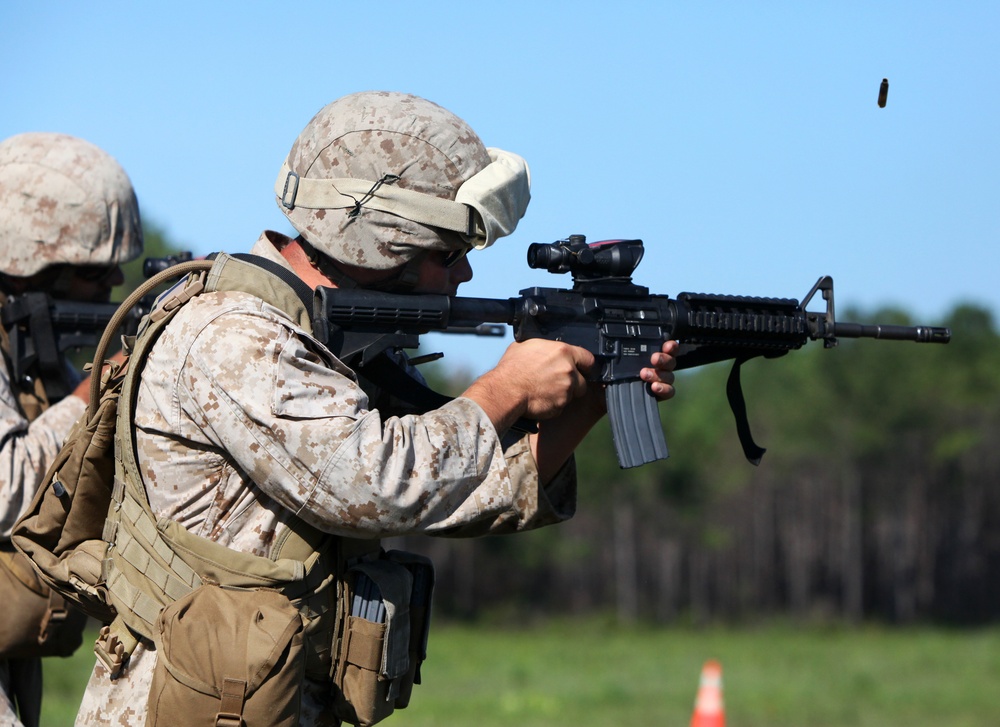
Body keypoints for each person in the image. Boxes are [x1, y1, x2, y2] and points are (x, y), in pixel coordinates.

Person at [76, 91, 677, 726]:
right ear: (378, 240)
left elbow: (449, 491)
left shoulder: (311, 340)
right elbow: (376, 482)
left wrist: (585, 399)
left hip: (266, 700)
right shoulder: (235, 335)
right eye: (447, 253)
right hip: (181, 704)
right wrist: (505, 391)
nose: (464, 275)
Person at [0, 132, 143, 727]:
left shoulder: (23, 347)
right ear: (33, 266)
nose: (113, 289)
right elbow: (5, 489)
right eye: (94, 274)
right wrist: (93, 393)